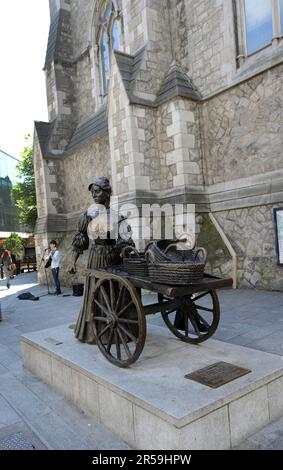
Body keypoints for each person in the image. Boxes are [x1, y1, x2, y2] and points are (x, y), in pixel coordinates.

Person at [69, 176, 133, 344]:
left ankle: (120, 328)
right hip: (97, 257)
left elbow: (126, 238)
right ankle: (96, 332)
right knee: (97, 293)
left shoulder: (117, 216)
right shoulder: (88, 216)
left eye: (97, 191)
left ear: (107, 193)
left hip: (114, 258)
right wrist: (73, 262)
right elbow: (80, 240)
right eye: (92, 192)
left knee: (116, 293)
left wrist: (125, 247)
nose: (94, 195)